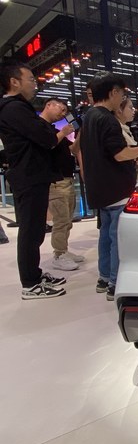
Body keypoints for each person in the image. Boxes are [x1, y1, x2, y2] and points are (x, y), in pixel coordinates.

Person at [79, 72, 138, 301]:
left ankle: (104, 278)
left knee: (105, 236)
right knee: (117, 238)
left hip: (99, 188)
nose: (122, 98)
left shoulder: (89, 116)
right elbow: (120, 154)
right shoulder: (107, 119)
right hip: (116, 189)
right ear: (113, 92)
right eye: (122, 94)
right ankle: (115, 282)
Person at [0, 62, 67, 298]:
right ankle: (30, 284)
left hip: (33, 175)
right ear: (14, 82)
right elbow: (46, 138)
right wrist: (54, 133)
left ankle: (35, 275)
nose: (34, 84)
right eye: (30, 79)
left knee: (36, 229)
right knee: (30, 231)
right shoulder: (14, 108)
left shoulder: (18, 108)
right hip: (28, 175)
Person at [39, 97, 85, 271]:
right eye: (61, 109)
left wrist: (79, 135)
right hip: (56, 181)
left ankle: (63, 251)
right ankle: (59, 254)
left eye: (66, 111)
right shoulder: (40, 128)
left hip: (66, 179)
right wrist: (64, 132)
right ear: (49, 105)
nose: (63, 113)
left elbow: (72, 149)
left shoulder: (54, 130)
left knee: (67, 220)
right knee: (61, 220)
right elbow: (47, 145)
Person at [115, 96, 138, 182]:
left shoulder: (126, 130)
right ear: (119, 110)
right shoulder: (118, 131)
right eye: (130, 107)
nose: (134, 110)